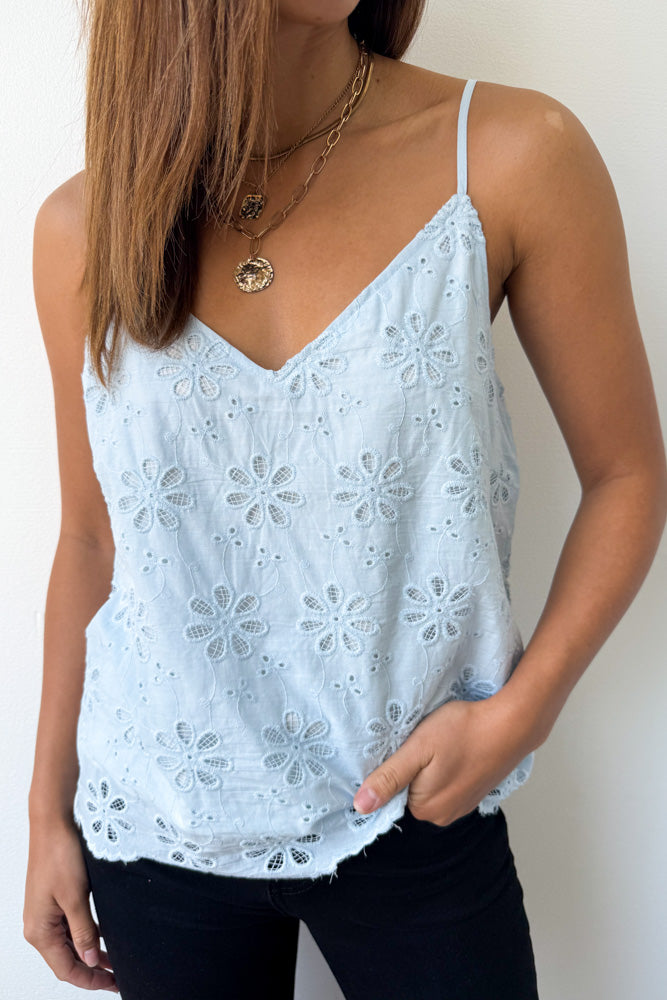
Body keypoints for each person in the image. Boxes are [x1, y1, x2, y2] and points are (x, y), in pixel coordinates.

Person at [23, 1, 666, 998]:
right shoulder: (82, 227)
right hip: (157, 822)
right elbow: (93, 539)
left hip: (418, 803)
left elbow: (626, 472)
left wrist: (522, 712)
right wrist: (45, 813)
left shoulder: (508, 155)